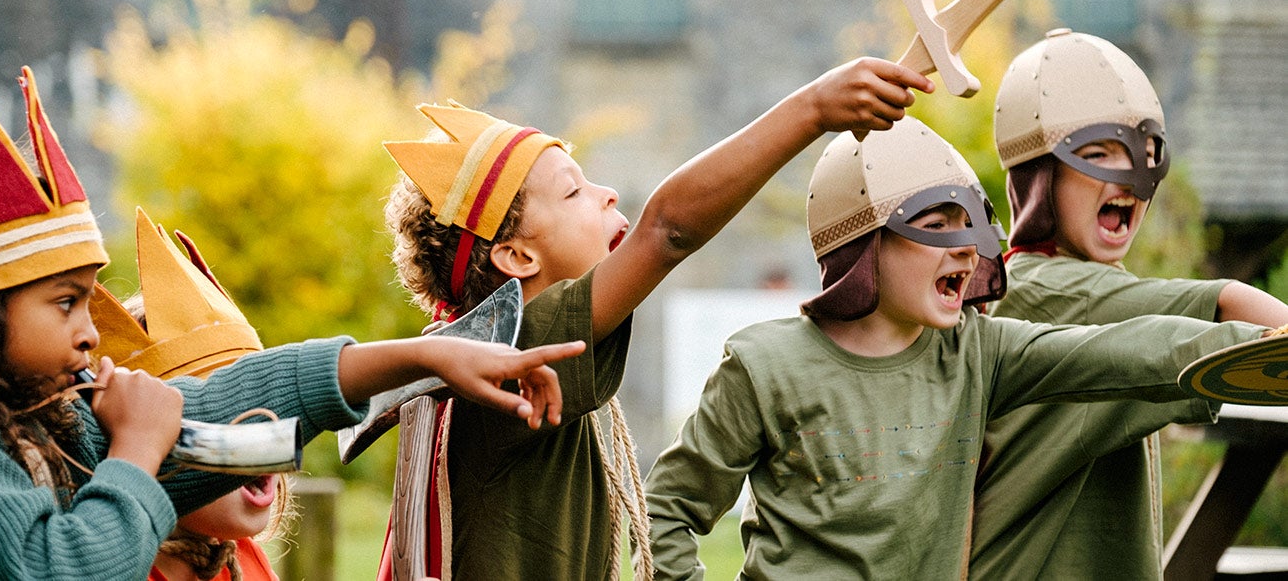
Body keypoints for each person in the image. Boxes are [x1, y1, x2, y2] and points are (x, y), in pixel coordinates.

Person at [0, 67, 583, 580]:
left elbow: (224, 410)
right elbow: (58, 568)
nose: (90, 331)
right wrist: (137, 450)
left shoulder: (45, 426)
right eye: (64, 302)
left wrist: (425, 359)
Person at [642, 116, 1272, 579]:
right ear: (863, 242)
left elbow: (1122, 350)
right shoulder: (763, 365)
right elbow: (668, 508)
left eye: (973, 222)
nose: (967, 247)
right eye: (937, 223)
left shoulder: (978, 354)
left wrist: (1251, 349)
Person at [380, 57, 934, 579]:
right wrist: (815, 108)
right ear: (518, 258)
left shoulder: (490, 349)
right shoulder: (523, 346)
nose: (608, 193)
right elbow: (666, 230)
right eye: (574, 191)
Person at [969, 28, 1288, 579]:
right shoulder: (1055, 291)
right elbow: (1224, 302)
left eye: (1145, 157)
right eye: (1097, 154)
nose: (1132, 180)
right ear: (1040, 178)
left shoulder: (1060, 283)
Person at [93, 209, 296, 581]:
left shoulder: (245, 561)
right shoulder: (116, 570)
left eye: (263, 401)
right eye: (217, 412)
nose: (261, 427)